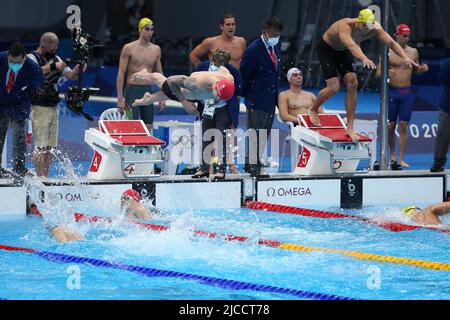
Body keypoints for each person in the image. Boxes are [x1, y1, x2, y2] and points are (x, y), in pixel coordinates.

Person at [309, 9, 419, 142]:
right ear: (359, 22)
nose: (367, 30)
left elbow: (391, 43)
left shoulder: (375, 27)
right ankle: (314, 109)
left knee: (353, 82)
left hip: (344, 52)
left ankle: (350, 127)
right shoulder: (345, 26)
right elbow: (351, 45)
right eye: (365, 26)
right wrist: (364, 58)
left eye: (370, 27)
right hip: (327, 49)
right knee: (334, 87)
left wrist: (405, 57)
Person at [189, 13, 246, 174]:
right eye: (227, 24)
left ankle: (224, 168)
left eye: (233, 24)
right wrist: (205, 79)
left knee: (223, 136)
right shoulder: (210, 43)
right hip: (209, 102)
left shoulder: (240, 43)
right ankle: (206, 168)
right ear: (222, 26)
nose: (231, 27)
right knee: (207, 136)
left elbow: (239, 82)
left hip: (225, 101)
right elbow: (193, 56)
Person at [28, 32, 85, 177]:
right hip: (38, 107)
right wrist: (54, 66)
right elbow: (33, 72)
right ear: (43, 46)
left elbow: (71, 75)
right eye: (52, 49)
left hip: (53, 107)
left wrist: (79, 68)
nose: (54, 52)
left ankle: (45, 177)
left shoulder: (56, 58)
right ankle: (39, 177)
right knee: (40, 147)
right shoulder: (31, 57)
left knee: (49, 147)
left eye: (56, 49)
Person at [376, 24, 428, 169]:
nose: (406, 38)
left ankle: (401, 158)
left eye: (408, 36)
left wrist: (423, 69)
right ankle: (392, 155)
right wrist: (387, 73)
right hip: (391, 92)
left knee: (404, 126)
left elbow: (417, 70)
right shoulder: (387, 51)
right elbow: (378, 74)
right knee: (391, 126)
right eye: (404, 35)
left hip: (406, 93)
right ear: (396, 35)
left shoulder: (414, 52)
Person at [240, 16, 284, 177]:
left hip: (271, 98)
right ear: (265, 32)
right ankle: (252, 166)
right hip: (256, 98)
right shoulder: (253, 49)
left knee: (263, 134)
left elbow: (275, 71)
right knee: (255, 133)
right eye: (273, 34)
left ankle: (255, 162)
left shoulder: (276, 45)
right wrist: (246, 98)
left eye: (278, 34)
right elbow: (243, 75)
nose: (276, 37)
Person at [28, 189, 154, 243]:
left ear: (135, 200)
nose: (122, 201)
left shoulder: (140, 208)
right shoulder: (127, 211)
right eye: (122, 198)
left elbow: (151, 225)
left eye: (126, 198)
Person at [191, 48, 242, 180]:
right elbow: (194, 84)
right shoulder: (203, 67)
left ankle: (220, 170)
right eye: (218, 62)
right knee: (206, 138)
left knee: (221, 139)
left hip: (223, 108)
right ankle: (204, 169)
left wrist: (234, 118)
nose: (221, 65)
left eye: (223, 63)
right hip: (207, 107)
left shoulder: (232, 71)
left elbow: (237, 94)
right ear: (212, 59)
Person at [0, 42, 43, 182]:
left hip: (19, 103)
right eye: (11, 61)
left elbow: (34, 91)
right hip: (0, 100)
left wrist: (24, 106)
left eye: (17, 62)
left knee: (19, 132)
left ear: (24, 58)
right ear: (8, 56)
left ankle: (19, 167)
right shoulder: (1, 59)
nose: (13, 64)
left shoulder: (34, 69)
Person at [117, 17, 165, 132]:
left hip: (147, 90)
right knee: (132, 126)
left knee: (148, 126)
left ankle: (145, 149)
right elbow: (121, 73)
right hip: (132, 90)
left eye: (152, 29)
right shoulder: (129, 48)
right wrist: (120, 98)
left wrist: (163, 97)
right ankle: (130, 150)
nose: (149, 32)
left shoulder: (156, 49)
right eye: (146, 29)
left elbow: (160, 74)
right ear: (140, 29)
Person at [131, 67, 235, 113]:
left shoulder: (229, 77)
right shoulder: (197, 84)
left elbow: (222, 67)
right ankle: (144, 74)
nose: (216, 97)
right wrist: (185, 103)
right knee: (162, 81)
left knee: (164, 95)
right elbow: (173, 82)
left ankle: (147, 99)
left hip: (194, 95)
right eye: (217, 94)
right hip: (184, 90)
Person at [430, 56, 450, 172]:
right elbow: (442, 78)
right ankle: (438, 162)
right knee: (443, 134)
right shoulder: (448, 63)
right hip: (448, 104)